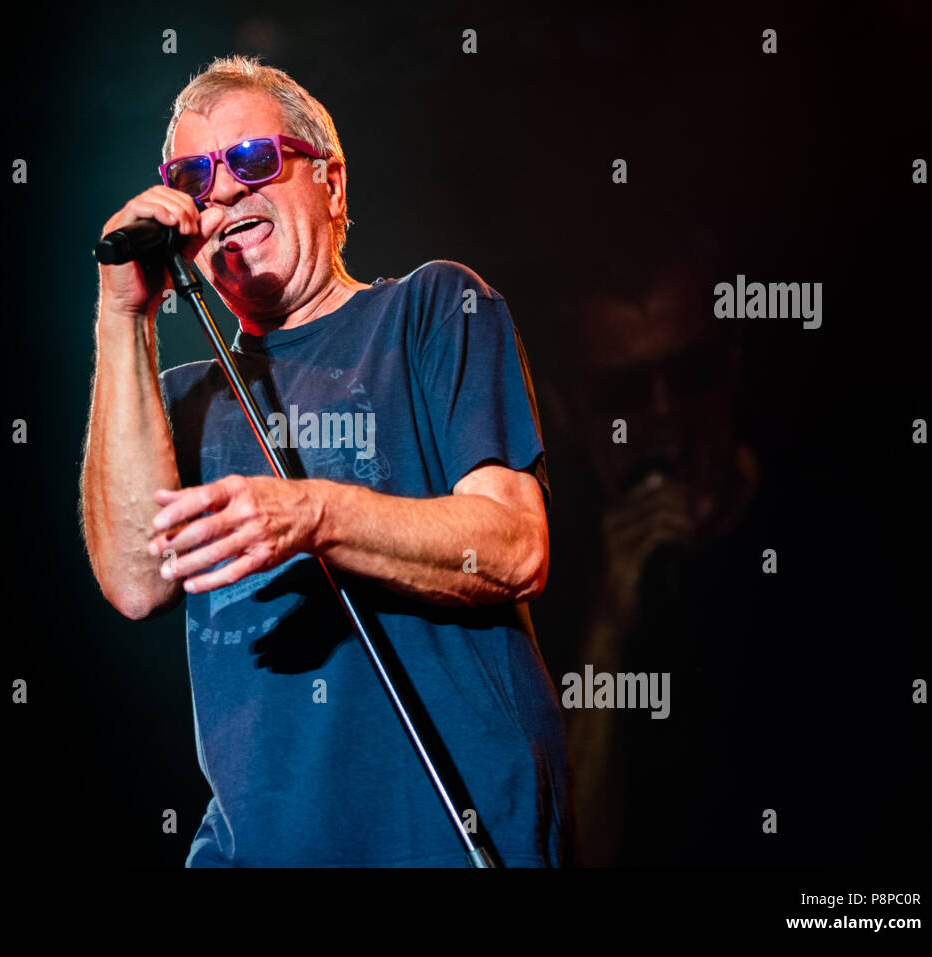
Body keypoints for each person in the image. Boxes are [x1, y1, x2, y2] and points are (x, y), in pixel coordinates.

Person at [79, 54, 571, 867]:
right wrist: (122, 313)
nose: (226, 191)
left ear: (332, 183)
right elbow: (136, 581)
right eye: (196, 178)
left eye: (253, 160)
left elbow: (515, 546)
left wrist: (314, 514)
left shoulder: (433, 307)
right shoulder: (175, 398)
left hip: (454, 836)